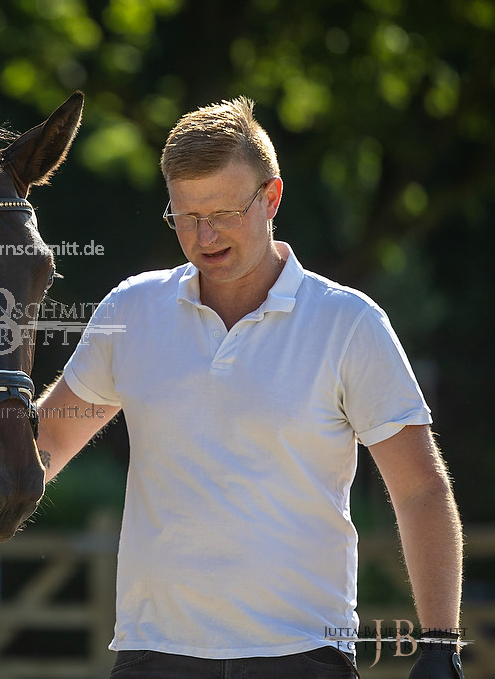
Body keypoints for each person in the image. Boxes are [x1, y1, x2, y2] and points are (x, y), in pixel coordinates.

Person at [35, 97, 465, 678]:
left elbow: (420, 490)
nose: (203, 235)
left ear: (271, 198)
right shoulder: (132, 311)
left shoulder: (348, 323)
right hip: (154, 655)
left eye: (222, 213)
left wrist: (440, 642)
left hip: (301, 657)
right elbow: (45, 446)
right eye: (185, 217)